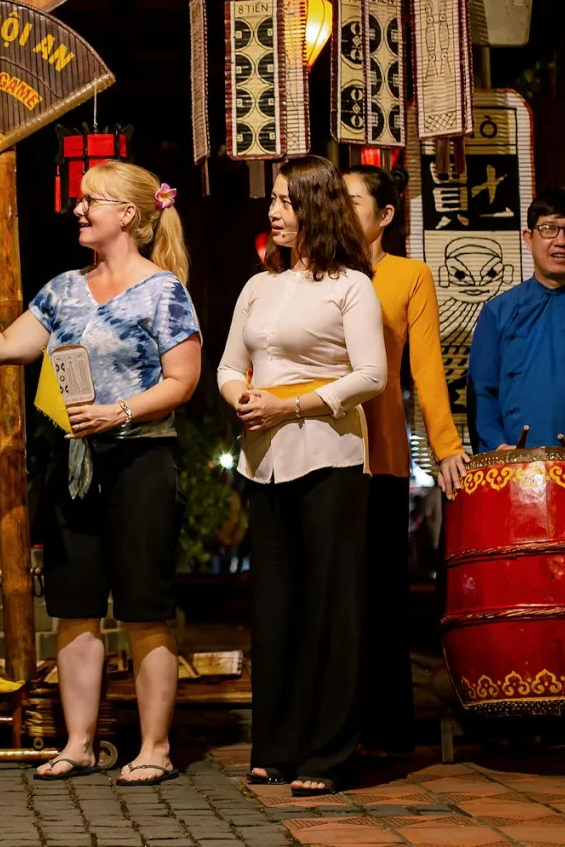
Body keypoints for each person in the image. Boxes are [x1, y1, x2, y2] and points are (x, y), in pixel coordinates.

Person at [0, 159, 200, 787]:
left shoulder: (163, 290)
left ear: (127, 214)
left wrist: (117, 410)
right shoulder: (63, 288)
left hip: (140, 460)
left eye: (90, 199)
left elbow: (184, 382)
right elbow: (7, 346)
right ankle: (78, 742)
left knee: (145, 609)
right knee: (74, 607)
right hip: (74, 463)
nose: (78, 209)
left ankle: (155, 747)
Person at [217, 156, 386, 797]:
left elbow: (370, 376)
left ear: (315, 207)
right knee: (278, 608)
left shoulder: (352, 285)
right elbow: (229, 364)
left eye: (286, 201)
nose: (273, 211)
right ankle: (277, 747)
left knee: (330, 608)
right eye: (274, 201)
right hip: (265, 459)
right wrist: (241, 395)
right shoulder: (260, 286)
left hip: (331, 457)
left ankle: (329, 754)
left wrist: (289, 403)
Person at [343, 165, 467, 756]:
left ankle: (387, 728)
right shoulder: (312, 274)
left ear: (386, 214)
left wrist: (444, 446)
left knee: (381, 594)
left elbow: (427, 370)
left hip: (382, 449)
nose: (339, 211)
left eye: (352, 201)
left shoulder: (409, 276)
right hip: (315, 448)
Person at [468, 188, 565, 453]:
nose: (561, 241)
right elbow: (482, 393)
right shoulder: (497, 312)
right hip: (513, 467)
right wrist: (497, 446)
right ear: (529, 238)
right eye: (549, 229)